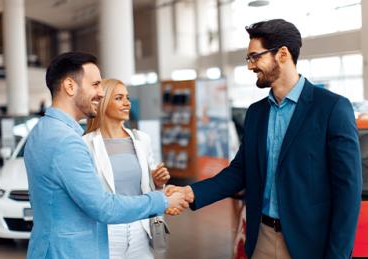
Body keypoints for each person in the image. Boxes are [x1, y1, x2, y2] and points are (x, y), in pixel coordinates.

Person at [166, 19, 362, 259]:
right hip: (262, 240)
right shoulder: (256, 113)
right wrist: (190, 192)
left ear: (282, 54)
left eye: (254, 57)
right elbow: (239, 171)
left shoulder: (332, 108)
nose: (250, 66)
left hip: (311, 244)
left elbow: (348, 191)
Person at [23, 52, 187, 259]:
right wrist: (161, 200)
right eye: (95, 85)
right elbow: (103, 207)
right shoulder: (67, 141)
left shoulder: (42, 130)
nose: (101, 93)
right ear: (70, 86)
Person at [83, 78, 170, 259]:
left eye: (127, 98)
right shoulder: (86, 144)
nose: (127, 103)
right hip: (107, 231)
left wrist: (157, 181)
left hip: (140, 227)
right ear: (104, 103)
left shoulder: (141, 139)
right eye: (119, 98)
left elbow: (149, 187)